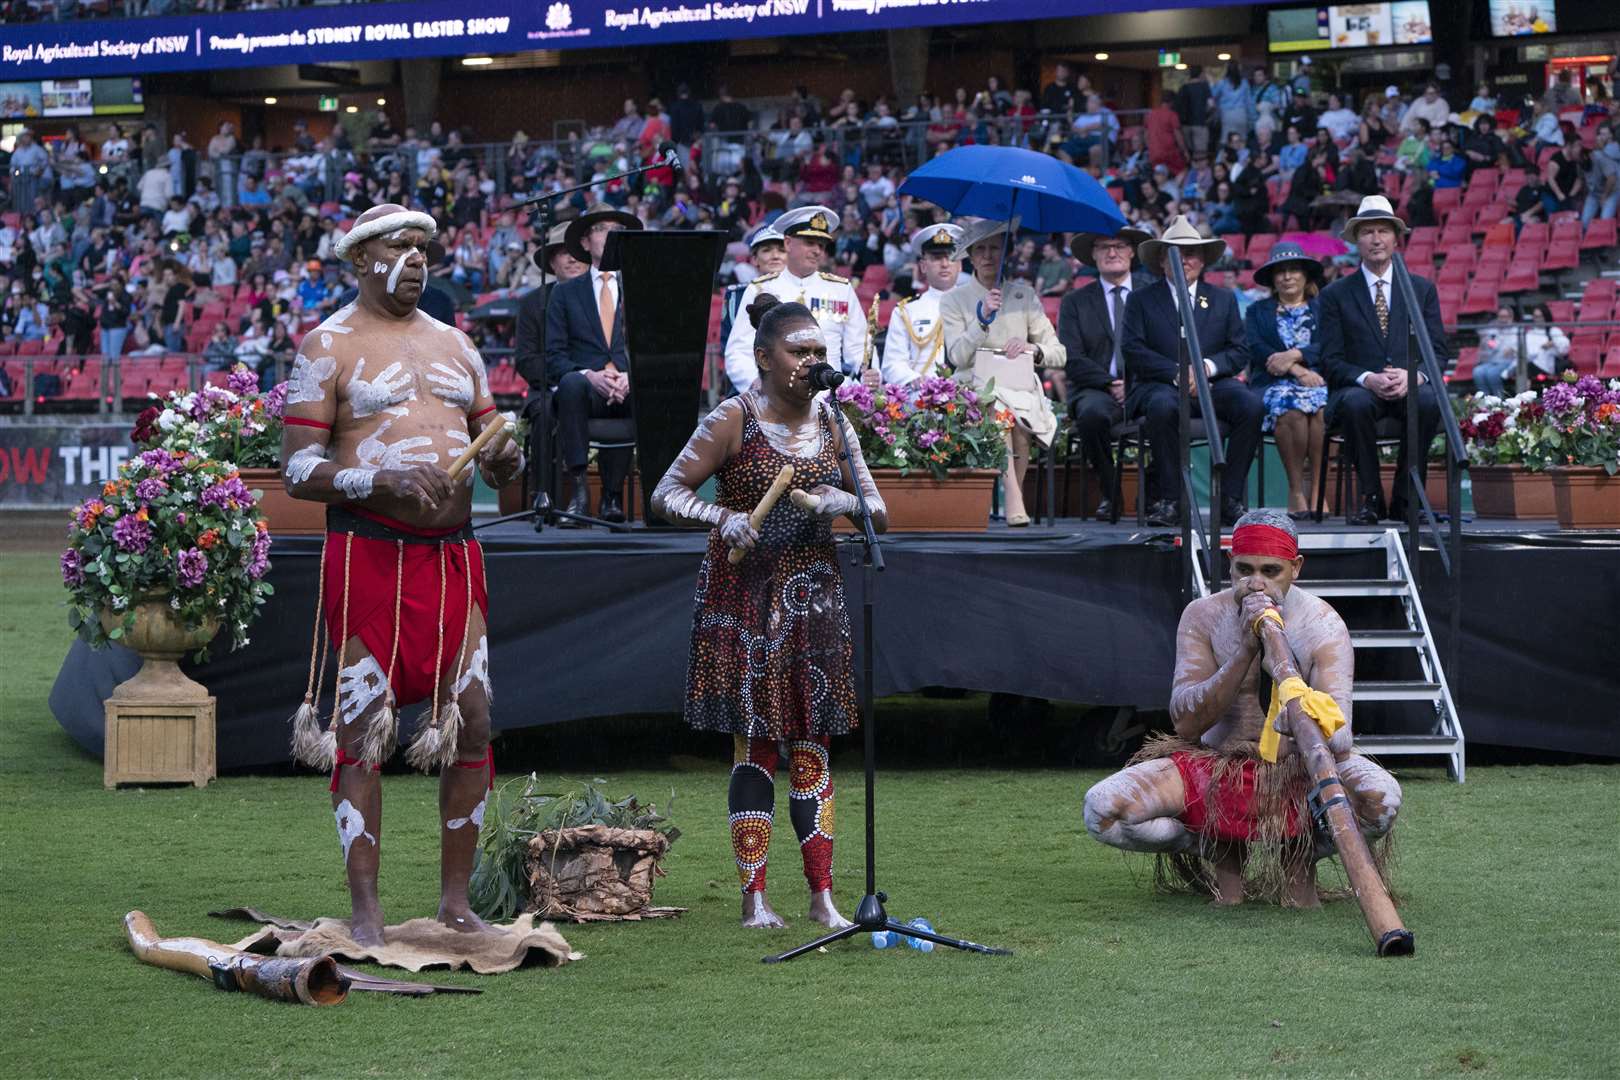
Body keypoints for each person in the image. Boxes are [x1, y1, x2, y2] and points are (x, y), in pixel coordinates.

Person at [279, 202, 524, 948]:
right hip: (370, 554)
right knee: (362, 730)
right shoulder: (328, 344)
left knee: (474, 718)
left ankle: (456, 901)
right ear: (360, 260)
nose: (416, 258)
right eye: (399, 246)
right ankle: (366, 910)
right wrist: (380, 483)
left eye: (423, 247)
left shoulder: (456, 343)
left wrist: (505, 460)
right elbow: (296, 469)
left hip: (454, 553)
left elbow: (497, 450)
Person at [650, 293, 886, 930]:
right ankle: (754, 895)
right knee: (755, 747)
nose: (812, 362)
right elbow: (666, 492)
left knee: (813, 747)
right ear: (763, 357)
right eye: (799, 351)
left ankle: (823, 895)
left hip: (815, 598)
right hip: (744, 597)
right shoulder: (733, 416)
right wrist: (722, 516)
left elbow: (877, 508)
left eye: (819, 352)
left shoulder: (834, 418)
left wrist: (841, 496)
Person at [1081, 510, 1401, 907]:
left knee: (1382, 800)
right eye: (1244, 569)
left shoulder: (1323, 624)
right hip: (1214, 764)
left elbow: (1340, 736)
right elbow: (1185, 723)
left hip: (1300, 772)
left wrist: (1295, 716)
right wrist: (1245, 651)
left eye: (1271, 570)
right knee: (1102, 811)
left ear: (1295, 568)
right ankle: (1210, 844)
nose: (1256, 583)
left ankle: (1299, 851)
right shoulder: (1203, 616)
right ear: (1229, 565)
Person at [1122, 216, 1261, 528]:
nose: (1184, 259)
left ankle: (1230, 498)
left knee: (1251, 406)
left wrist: (1205, 370)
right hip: (1161, 384)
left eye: (1191, 253)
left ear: (1203, 260)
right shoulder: (1141, 299)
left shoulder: (1223, 299)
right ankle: (1170, 499)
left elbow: (1239, 351)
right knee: (1162, 406)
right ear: (1161, 260)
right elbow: (1132, 349)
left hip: (1212, 384)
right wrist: (1177, 373)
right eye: (1176, 252)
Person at [1317, 195, 1447, 525]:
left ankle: (1405, 498)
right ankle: (1370, 498)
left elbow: (1438, 352)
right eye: (1367, 232)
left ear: (1395, 238)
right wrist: (1367, 378)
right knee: (1357, 403)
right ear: (1356, 241)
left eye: (1383, 231)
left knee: (1429, 401)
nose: (1376, 239)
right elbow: (1329, 360)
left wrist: (1413, 377)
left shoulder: (1421, 289)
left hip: (1409, 388)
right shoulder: (1335, 294)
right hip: (1359, 389)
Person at [939, 218, 1067, 527]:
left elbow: (1059, 353)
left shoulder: (1024, 296)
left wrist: (1031, 349)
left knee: (1016, 417)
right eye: (980, 249)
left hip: (1019, 385)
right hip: (973, 387)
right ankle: (1014, 498)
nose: (987, 256)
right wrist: (981, 318)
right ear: (970, 256)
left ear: (1005, 252)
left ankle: (1014, 495)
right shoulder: (953, 299)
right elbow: (956, 357)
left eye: (994, 248)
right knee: (1000, 410)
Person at [544, 202, 643, 524]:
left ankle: (613, 498)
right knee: (571, 383)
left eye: (618, 230)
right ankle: (580, 493)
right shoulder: (564, 293)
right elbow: (554, 357)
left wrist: (632, 376)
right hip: (585, 391)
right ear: (586, 242)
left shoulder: (643, 287)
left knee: (651, 390)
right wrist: (590, 375)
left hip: (630, 386)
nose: (612, 235)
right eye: (603, 229)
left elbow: (654, 349)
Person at [1058, 226, 1152, 520]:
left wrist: (1134, 384)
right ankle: (1111, 494)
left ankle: (1157, 495)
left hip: (1148, 385)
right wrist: (1111, 383)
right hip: (1096, 389)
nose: (1113, 252)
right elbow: (1071, 357)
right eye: (1104, 247)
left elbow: (1166, 348)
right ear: (1094, 255)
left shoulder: (1153, 294)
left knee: (1167, 410)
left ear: (1132, 252)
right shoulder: (1075, 301)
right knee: (1091, 416)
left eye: (1120, 245)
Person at [724, 205, 868, 392]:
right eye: (810, 242)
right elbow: (738, 351)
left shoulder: (841, 289)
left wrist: (867, 376)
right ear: (788, 243)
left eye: (821, 245)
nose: (817, 250)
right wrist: (756, 384)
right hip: (775, 400)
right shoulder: (760, 288)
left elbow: (859, 349)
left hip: (828, 397)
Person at [1244, 244, 1327, 519]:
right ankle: (1295, 490)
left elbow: (1332, 344)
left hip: (1321, 381)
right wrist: (1297, 370)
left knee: (1320, 407)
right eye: (1280, 272)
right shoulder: (1257, 311)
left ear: (1305, 276)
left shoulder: (1324, 308)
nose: (1287, 277)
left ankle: (1317, 489)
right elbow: (1256, 347)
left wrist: (1297, 355)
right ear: (1272, 280)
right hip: (1272, 383)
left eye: (1293, 270)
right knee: (1290, 405)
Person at [513, 221, 588, 491]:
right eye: (562, 251)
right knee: (544, 413)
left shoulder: (608, 296)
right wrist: (570, 376)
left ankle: (610, 499)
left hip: (598, 387)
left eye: (577, 250)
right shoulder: (532, 303)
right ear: (551, 263)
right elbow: (525, 359)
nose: (571, 257)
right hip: (548, 388)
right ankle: (544, 496)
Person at [879, 223, 962, 386]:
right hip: (922, 397)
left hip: (966, 397)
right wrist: (914, 380)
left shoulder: (976, 306)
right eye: (937, 257)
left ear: (959, 265)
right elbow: (892, 364)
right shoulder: (907, 310)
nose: (945, 264)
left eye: (951, 257)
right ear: (923, 266)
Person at [720, 225, 786, 361]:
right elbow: (728, 345)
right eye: (767, 251)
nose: (775, 256)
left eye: (782, 250)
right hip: (749, 370)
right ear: (754, 259)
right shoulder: (736, 296)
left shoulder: (804, 291)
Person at [1471, 306, 1521, 398]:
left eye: (1505, 317)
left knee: (1491, 373)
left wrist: (1512, 349)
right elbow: (1484, 342)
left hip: (1509, 361)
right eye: (1500, 317)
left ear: (1511, 317)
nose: (1503, 319)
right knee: (1477, 371)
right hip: (1491, 360)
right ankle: (1485, 399)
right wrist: (1487, 342)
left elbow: (1520, 347)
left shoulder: (1516, 329)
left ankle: (1498, 399)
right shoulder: (1492, 328)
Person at [1580, 123, 1619, 226]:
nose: (1601, 137)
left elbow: (1611, 175)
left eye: (1604, 134)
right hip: (1596, 191)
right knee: (1584, 223)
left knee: (1604, 220)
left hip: (1613, 189)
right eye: (1600, 134)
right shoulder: (1598, 151)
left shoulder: (1615, 147)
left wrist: (1599, 148)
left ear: (1611, 135)